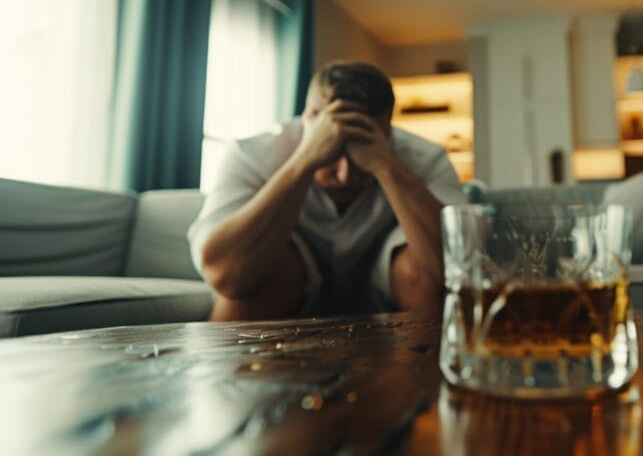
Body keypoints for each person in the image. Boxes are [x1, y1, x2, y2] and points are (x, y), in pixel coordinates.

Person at [188, 61, 465, 321]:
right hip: (290, 289)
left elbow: (461, 270)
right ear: (310, 119)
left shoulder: (426, 158)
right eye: (336, 150)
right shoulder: (253, 154)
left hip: (386, 292)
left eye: (361, 151)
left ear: (387, 130)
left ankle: (437, 372)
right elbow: (223, 274)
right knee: (248, 283)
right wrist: (306, 159)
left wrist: (386, 165)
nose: (345, 177)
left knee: (420, 273)